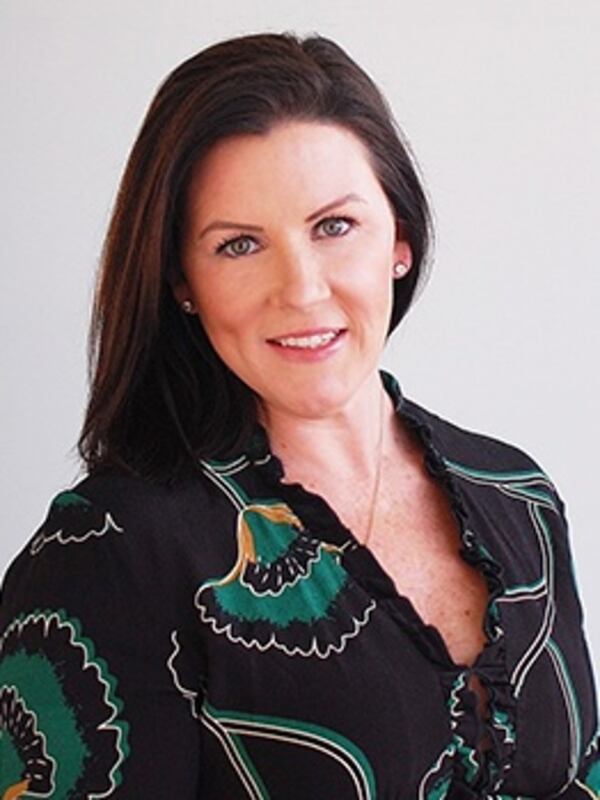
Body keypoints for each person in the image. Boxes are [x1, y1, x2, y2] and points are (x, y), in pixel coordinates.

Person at [0, 31, 597, 799]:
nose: (302, 289)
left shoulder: (518, 495)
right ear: (182, 281)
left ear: (400, 239)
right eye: (240, 244)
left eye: (334, 226)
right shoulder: (113, 550)